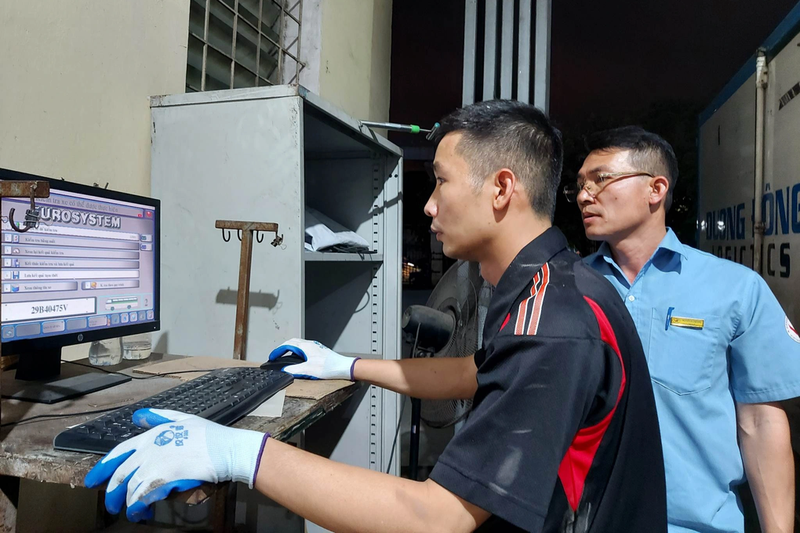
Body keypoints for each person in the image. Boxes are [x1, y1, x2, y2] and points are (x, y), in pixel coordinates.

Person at [85, 101, 667, 532]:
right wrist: (346, 363)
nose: (429, 204)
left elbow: (436, 518)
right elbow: (477, 371)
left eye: (440, 181)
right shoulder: (554, 285)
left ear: (501, 188)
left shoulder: (552, 320)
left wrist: (236, 454)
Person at [573, 126, 799, 533]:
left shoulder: (735, 288)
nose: (584, 195)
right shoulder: (566, 288)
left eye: (601, 179)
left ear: (655, 189)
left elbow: (761, 423)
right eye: (581, 184)